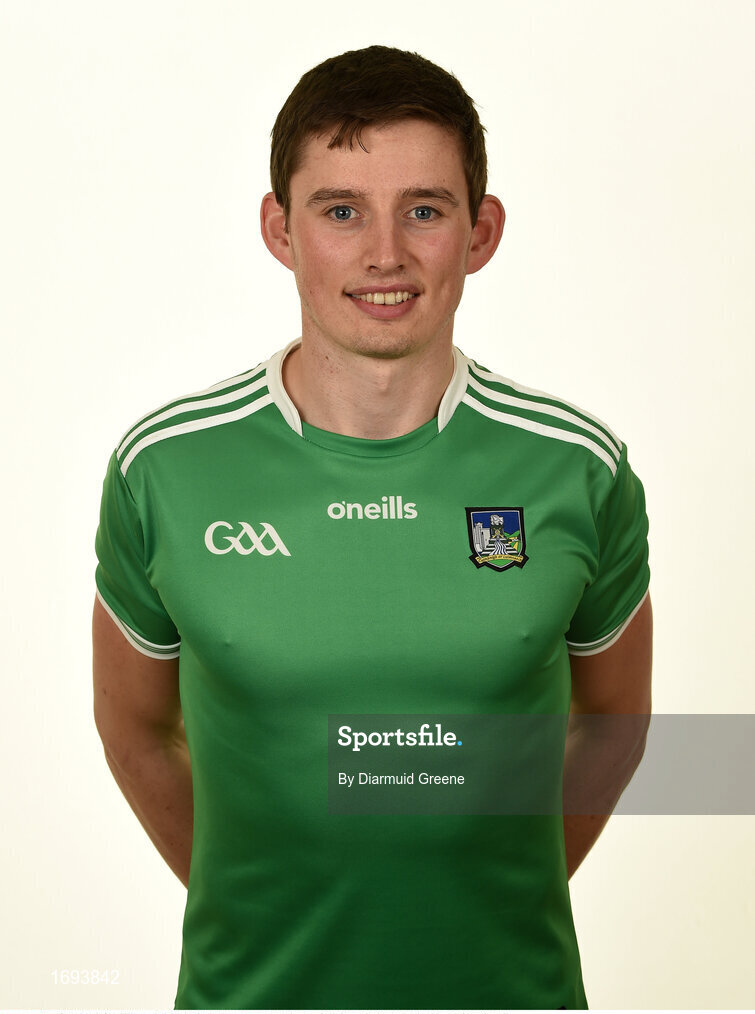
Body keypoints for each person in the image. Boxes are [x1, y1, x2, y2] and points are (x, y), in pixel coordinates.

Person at [92, 45, 652, 1010]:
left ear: (480, 233)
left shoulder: (577, 467)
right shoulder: (163, 469)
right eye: (341, 210)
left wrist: (473, 900)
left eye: (424, 211)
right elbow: (136, 730)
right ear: (279, 228)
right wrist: (261, 902)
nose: (384, 254)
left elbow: (613, 723)